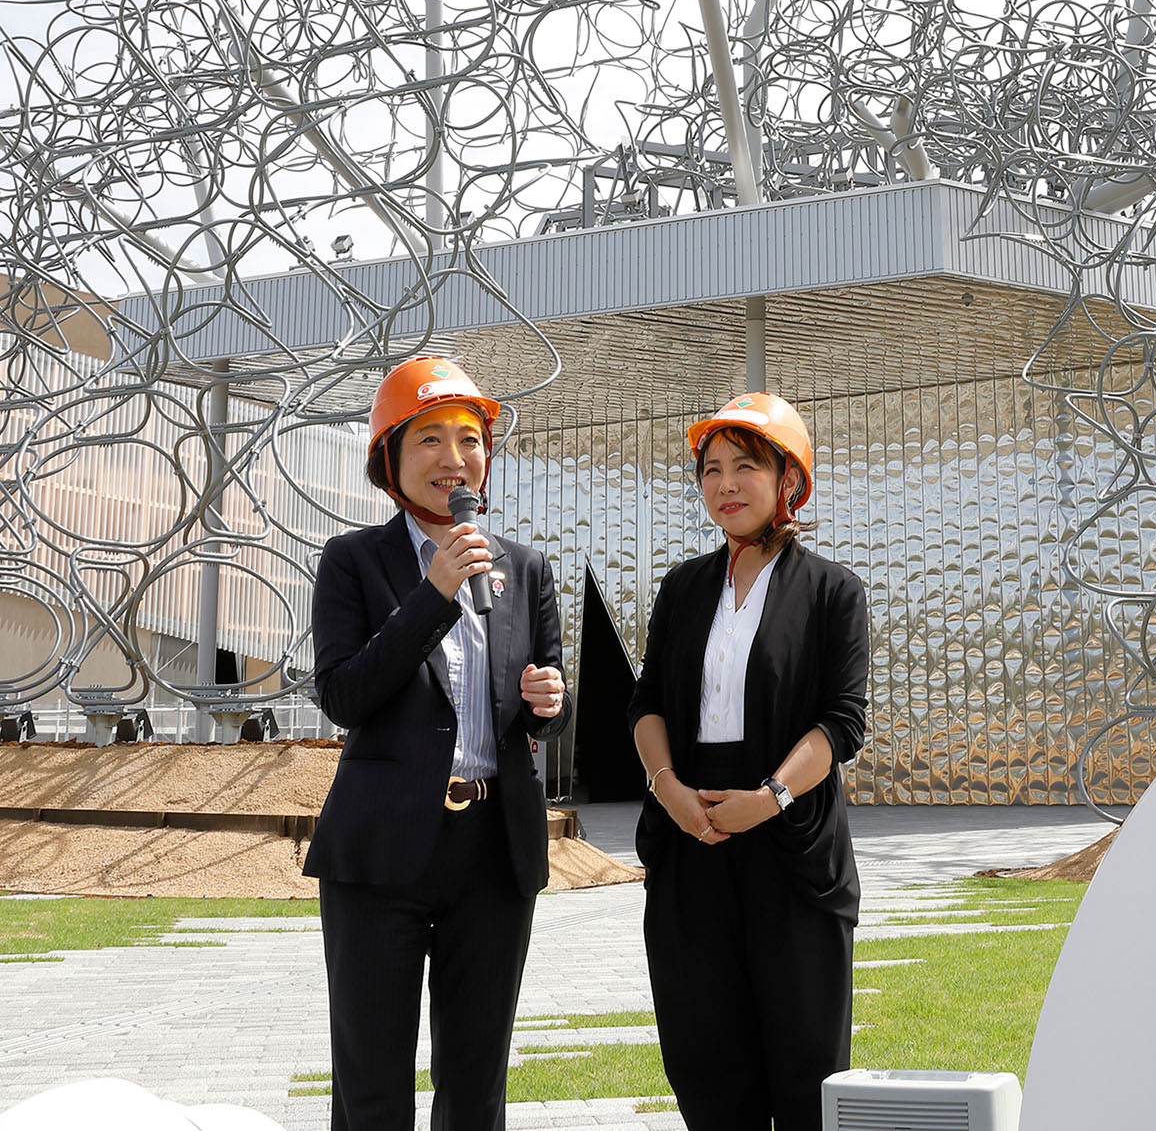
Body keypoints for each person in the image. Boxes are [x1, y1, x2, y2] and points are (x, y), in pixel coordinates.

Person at [303, 355, 571, 1131]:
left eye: (469, 438)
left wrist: (550, 701)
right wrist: (434, 593)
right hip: (382, 848)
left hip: (492, 847)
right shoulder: (353, 561)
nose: (454, 458)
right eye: (429, 439)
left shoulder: (523, 567)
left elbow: (541, 702)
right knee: (373, 1077)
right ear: (390, 456)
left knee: (477, 1074)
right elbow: (344, 694)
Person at [628, 392, 869, 1131]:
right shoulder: (682, 586)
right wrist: (668, 788)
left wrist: (768, 797)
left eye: (745, 466)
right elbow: (648, 705)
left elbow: (842, 722)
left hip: (790, 854)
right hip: (691, 847)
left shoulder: (834, 591)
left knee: (804, 1068)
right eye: (710, 470)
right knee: (704, 1060)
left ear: (788, 479)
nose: (725, 484)